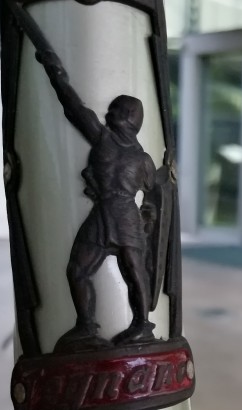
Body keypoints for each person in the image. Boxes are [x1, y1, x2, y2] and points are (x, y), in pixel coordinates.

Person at [35, 49, 158, 352]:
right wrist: (55, 73)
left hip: (116, 212)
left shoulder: (107, 141)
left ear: (127, 116)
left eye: (113, 110)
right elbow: (153, 190)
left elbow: (74, 107)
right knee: (118, 271)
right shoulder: (141, 158)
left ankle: (135, 326)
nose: (107, 114)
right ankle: (94, 327)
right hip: (116, 213)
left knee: (129, 270)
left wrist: (56, 73)